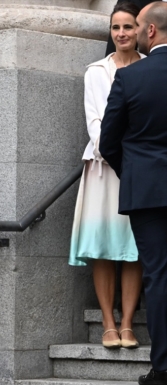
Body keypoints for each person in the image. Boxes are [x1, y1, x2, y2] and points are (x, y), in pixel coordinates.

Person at [70, 3, 143, 350]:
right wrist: (120, 154)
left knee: (133, 248)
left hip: (138, 170)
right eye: (116, 27)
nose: (122, 33)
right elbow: (95, 123)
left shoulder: (149, 68)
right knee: (102, 247)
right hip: (103, 167)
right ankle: (108, 321)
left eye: (128, 26)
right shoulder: (95, 72)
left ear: (141, 30)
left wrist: (136, 158)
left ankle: (128, 323)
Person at [101, 1, 167, 385]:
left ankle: (163, 367)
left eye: (139, 27)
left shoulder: (130, 78)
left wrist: (135, 173)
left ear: (152, 32)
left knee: (158, 274)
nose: (136, 33)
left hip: (147, 190)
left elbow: (109, 141)